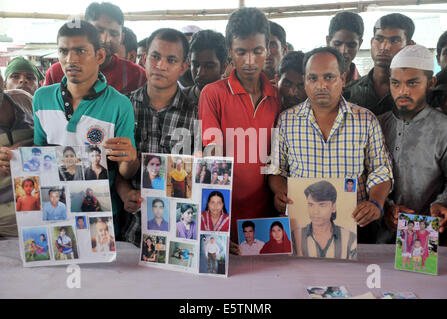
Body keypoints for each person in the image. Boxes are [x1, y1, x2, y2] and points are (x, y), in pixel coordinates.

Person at [269, 47, 393, 244]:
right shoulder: (286, 121)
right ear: (305, 80)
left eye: (329, 77)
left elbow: (381, 171)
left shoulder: (366, 120)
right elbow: (277, 170)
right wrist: (280, 193)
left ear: (342, 79)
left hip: (356, 227)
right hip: (303, 228)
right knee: (305, 275)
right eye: (313, 78)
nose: (321, 85)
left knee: (350, 276)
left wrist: (375, 203)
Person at [199, 8, 281, 247]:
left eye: (257, 51)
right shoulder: (213, 94)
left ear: (267, 49)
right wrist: (216, 227)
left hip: (266, 218)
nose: (249, 61)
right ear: (229, 52)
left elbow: (279, 159)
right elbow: (211, 160)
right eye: (241, 52)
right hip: (223, 214)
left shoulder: (276, 96)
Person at [118, 27, 198, 247]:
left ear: (183, 67)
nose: (161, 66)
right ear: (144, 58)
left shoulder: (197, 114)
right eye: (155, 57)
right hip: (131, 236)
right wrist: (126, 194)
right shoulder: (124, 107)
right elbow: (113, 170)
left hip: (180, 239)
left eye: (171, 60)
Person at [34, 20, 138, 179]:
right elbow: (40, 151)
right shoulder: (42, 98)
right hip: (55, 198)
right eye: (63, 51)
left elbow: (125, 173)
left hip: (102, 202)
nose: (70, 59)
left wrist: (131, 159)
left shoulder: (120, 105)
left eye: (80, 51)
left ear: (100, 56)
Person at [377, 45, 447, 246]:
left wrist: (442, 203)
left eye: (412, 83)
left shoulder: (445, 129)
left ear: (431, 82)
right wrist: (385, 207)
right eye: (395, 83)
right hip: (377, 236)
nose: (403, 91)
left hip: (427, 234)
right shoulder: (376, 124)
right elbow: (365, 174)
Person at [44, 2, 146, 94]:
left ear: (122, 37)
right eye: (99, 30)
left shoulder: (138, 75)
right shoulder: (56, 73)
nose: (105, 39)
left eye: (114, 34)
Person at [344, 13, 415, 115]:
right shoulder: (349, 92)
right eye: (379, 39)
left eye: (394, 40)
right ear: (372, 42)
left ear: (409, 46)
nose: (384, 47)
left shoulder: (417, 94)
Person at [0, 78, 34, 237]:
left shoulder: (24, 100)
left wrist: (30, 146)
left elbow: (52, 141)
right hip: (4, 228)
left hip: (41, 216)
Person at [292, 181, 356, 259]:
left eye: (322, 205)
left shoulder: (351, 239)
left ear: (333, 207)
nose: (315, 211)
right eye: (311, 205)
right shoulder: (294, 237)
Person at [182, 30, 228, 107]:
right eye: (196, 65)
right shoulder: (177, 100)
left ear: (223, 67)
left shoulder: (235, 103)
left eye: (209, 66)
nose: (200, 73)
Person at [326, 11, 364, 85]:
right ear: (328, 41)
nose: (344, 51)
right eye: (337, 44)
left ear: (360, 44)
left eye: (351, 45)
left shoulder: (365, 89)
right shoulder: (308, 82)